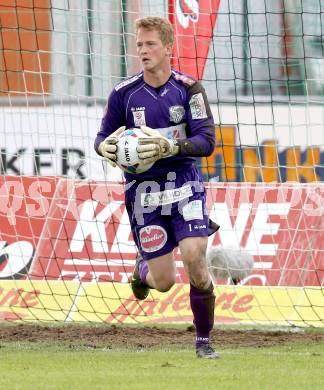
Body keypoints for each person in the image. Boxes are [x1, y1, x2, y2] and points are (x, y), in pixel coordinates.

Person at [95, 16, 219, 359]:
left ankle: (204, 342)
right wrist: (103, 148)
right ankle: (142, 270)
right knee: (164, 282)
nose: (143, 51)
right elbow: (103, 137)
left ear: (168, 47)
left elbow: (206, 141)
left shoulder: (188, 89)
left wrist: (170, 146)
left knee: (195, 256)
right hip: (144, 195)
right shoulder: (123, 94)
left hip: (183, 185)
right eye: (139, 45)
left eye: (150, 44)